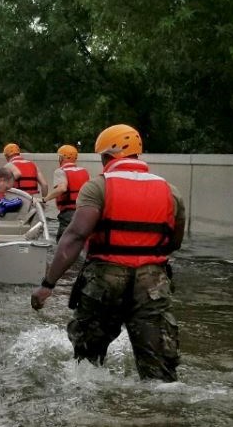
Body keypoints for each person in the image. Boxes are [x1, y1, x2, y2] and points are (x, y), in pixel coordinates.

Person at [31, 124, 186, 382]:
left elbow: (75, 236)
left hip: (104, 280)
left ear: (106, 156)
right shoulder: (170, 191)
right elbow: (174, 242)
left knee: (87, 366)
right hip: (153, 283)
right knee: (159, 374)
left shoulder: (98, 187)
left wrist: (48, 284)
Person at [42, 144, 91, 241]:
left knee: (63, 242)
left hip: (69, 213)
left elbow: (62, 188)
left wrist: (45, 199)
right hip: (84, 211)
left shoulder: (60, 171)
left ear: (61, 157)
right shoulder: (84, 171)